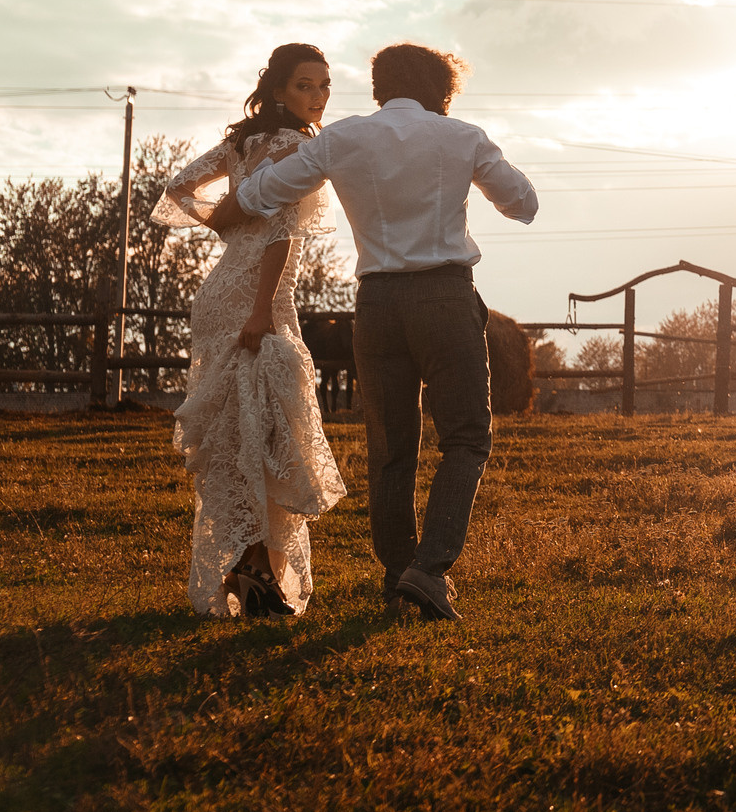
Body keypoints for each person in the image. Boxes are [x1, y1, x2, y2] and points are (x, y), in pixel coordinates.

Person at [225, 42, 539, 622]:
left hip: (377, 304)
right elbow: (524, 204)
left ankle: (398, 579)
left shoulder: (342, 138)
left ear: (379, 88)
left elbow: (257, 195)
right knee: (466, 438)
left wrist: (244, 186)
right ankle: (429, 569)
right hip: (445, 297)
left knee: (391, 447)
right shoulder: (462, 136)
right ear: (440, 89)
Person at [153, 43, 349, 619]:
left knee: (243, 430)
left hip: (220, 294)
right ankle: (254, 569)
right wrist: (263, 310)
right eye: (305, 86)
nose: (318, 97)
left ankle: (251, 567)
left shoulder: (244, 142)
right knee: (262, 430)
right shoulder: (294, 146)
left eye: (324, 86)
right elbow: (279, 233)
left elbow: (178, 187)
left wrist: (221, 218)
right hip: (254, 299)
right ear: (279, 90)